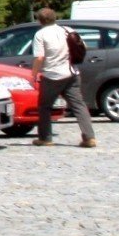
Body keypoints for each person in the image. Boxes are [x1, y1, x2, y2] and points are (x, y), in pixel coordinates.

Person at [31, 8, 97, 148]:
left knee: (44, 106)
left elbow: (40, 57)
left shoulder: (40, 34)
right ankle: (89, 137)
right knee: (79, 105)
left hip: (52, 75)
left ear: (39, 20)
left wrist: (34, 73)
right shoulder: (66, 30)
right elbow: (83, 46)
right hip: (72, 72)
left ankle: (45, 138)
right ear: (55, 18)